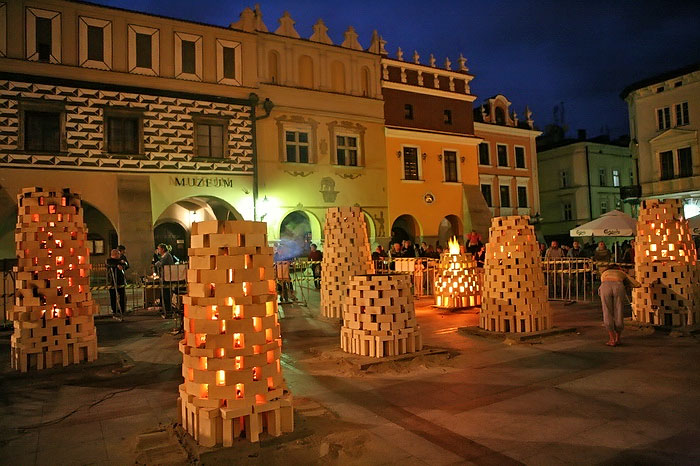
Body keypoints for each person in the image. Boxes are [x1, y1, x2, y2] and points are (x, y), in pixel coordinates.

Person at [598, 264, 640, 346]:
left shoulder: (604, 273)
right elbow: (637, 284)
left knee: (607, 311)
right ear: (618, 268)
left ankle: (612, 339)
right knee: (619, 310)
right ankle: (618, 339)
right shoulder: (621, 273)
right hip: (618, 286)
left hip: (605, 286)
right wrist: (626, 284)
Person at [154, 243, 175, 317]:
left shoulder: (166, 256)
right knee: (163, 294)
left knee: (166, 294)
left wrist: (156, 263)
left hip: (167, 278)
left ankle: (168, 310)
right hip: (164, 277)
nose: (158, 250)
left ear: (163, 249)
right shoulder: (164, 256)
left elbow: (160, 264)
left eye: (159, 249)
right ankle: (165, 308)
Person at [106, 249, 127, 319]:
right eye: (118, 253)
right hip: (112, 281)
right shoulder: (109, 260)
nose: (119, 255)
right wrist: (117, 265)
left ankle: (122, 310)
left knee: (122, 296)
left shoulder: (120, 260)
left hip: (120, 281)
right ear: (114, 254)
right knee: (113, 297)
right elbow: (110, 264)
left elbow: (126, 264)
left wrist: (123, 263)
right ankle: (114, 310)